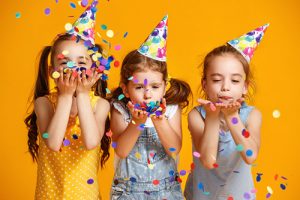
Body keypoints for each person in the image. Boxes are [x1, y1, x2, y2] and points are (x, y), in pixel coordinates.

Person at [24, 1, 111, 199]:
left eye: (81, 62)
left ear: (93, 70)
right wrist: (64, 96)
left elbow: (91, 142)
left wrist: (81, 94)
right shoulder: (44, 103)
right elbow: (53, 143)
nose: (73, 68)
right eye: (64, 62)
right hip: (49, 195)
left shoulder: (100, 105)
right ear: (51, 71)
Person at [109, 15, 191, 199]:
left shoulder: (170, 110)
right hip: (128, 192)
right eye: (139, 87)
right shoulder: (120, 109)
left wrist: (160, 121)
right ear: (126, 89)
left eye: (155, 87)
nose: (147, 94)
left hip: (166, 191)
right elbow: (121, 151)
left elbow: (174, 149)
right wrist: (136, 123)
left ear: (164, 86)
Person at [184, 24, 269, 200]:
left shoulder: (252, 115)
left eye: (235, 80)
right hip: (202, 196)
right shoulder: (197, 115)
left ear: (245, 87)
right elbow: (208, 160)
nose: (225, 87)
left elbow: (250, 156)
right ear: (205, 84)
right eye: (216, 79)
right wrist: (213, 117)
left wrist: (233, 117)